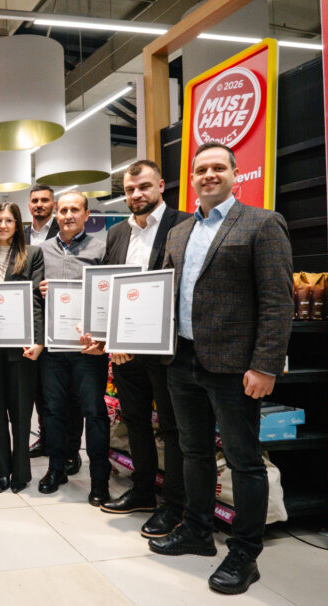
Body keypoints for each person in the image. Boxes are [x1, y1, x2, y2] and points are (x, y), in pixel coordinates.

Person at [149, 143, 293, 596]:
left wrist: (265, 365)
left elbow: (278, 300)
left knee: (243, 460)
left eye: (217, 168)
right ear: (191, 179)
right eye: (201, 170)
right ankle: (196, 530)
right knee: (192, 451)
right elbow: (161, 294)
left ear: (235, 173)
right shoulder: (180, 232)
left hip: (234, 366)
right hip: (182, 358)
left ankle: (245, 553)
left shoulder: (262, 223)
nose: (208, 175)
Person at [80, 161, 190, 539]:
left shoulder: (183, 225)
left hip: (168, 350)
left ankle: (174, 505)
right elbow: (111, 290)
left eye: (143, 186)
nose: (136, 194)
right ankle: (143, 490)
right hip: (125, 351)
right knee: (136, 421)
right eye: (129, 189)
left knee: (173, 428)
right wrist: (109, 338)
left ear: (161, 185)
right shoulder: (117, 234)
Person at [36, 191, 111, 506]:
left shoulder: (101, 249)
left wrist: (103, 338)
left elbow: (109, 295)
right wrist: (38, 289)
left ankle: (99, 480)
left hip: (87, 349)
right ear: (56, 213)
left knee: (94, 412)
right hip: (53, 349)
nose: (68, 215)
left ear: (86, 214)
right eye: (63, 210)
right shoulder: (41, 251)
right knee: (53, 411)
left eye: (74, 210)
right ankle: (56, 469)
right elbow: (32, 298)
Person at [0, 203, 44, 494]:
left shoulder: (33, 255)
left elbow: (36, 300)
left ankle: (21, 471)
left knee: (20, 412)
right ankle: (0, 470)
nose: (3, 225)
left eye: (9, 220)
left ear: (18, 224)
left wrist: (38, 341)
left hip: (21, 348)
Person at [26, 184, 82, 472]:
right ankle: (46, 439)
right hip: (35, 324)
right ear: (29, 205)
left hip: (66, 327)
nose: (39, 205)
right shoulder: (23, 236)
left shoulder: (62, 236)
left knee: (67, 395)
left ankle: (72, 449)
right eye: (34, 200)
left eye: (45, 201)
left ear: (53, 206)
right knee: (41, 390)